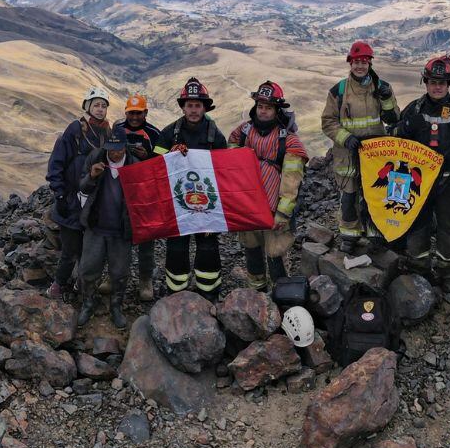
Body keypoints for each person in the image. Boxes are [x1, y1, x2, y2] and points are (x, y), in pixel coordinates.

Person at [394, 54, 450, 290]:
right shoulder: (414, 109)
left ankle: (448, 272)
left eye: (442, 83)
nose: (437, 87)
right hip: (418, 185)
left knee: (447, 229)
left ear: (449, 84)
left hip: (449, 184)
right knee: (417, 226)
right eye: (433, 82)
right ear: (426, 83)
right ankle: (419, 268)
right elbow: (393, 141)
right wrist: (406, 127)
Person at [228, 81, 308, 290]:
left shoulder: (289, 141)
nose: (263, 111)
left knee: (276, 252)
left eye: (269, 107)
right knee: (251, 247)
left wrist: (283, 213)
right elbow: (229, 157)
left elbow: (292, 181)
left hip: (275, 207)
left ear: (277, 110)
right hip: (248, 205)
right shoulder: (242, 132)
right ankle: (257, 292)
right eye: (260, 106)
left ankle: (282, 296)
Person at [153, 78, 229, 299]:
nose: (193, 110)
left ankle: (210, 292)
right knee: (176, 247)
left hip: (207, 203)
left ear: (205, 107)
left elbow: (223, 171)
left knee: (208, 247)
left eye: (197, 105)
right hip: (178, 205)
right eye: (189, 105)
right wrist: (170, 155)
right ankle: (176, 293)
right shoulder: (169, 133)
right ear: (183, 107)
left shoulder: (216, 135)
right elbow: (155, 165)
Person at [321, 40, 398, 254]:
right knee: (349, 197)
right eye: (356, 62)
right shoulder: (339, 91)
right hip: (348, 155)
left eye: (364, 61)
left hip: (375, 155)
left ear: (370, 64)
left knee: (375, 194)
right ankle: (349, 236)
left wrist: (387, 99)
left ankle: (375, 234)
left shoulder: (382, 87)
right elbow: (328, 122)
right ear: (350, 63)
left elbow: (393, 118)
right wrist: (346, 138)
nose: (360, 66)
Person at [46, 87, 111, 299]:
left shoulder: (108, 133)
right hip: (72, 200)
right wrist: (60, 194)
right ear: (87, 107)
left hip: (93, 201)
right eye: (96, 105)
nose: (100, 110)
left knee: (88, 250)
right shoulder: (75, 130)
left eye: (103, 105)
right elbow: (57, 162)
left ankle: (81, 285)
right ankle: (58, 285)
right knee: (70, 250)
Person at [74, 130, 136, 331]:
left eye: (119, 150)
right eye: (111, 150)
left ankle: (116, 306)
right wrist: (92, 176)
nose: (115, 154)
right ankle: (88, 303)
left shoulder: (134, 164)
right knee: (88, 268)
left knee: (119, 272)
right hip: (96, 227)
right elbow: (82, 187)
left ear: (125, 146)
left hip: (121, 231)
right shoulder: (96, 158)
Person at [115, 93, 161, 302]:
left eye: (138, 113)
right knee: (117, 236)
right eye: (131, 113)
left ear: (146, 113)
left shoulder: (154, 133)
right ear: (126, 112)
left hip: (145, 194)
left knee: (146, 237)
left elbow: (162, 162)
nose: (134, 117)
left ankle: (145, 280)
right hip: (120, 192)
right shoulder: (116, 130)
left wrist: (147, 157)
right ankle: (115, 277)